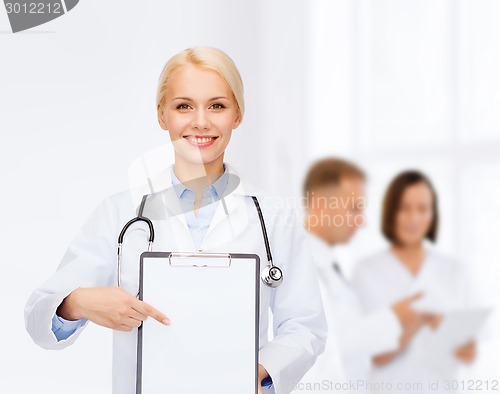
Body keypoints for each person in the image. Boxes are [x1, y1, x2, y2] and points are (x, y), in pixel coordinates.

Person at [24, 47, 327, 394]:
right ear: (162, 115)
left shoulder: (274, 217)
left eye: (217, 105)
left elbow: (305, 326)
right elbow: (38, 316)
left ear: (237, 115)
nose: (201, 121)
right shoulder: (118, 214)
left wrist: (259, 374)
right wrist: (78, 302)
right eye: (184, 106)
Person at [297, 158, 423, 392]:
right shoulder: (299, 264)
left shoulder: (331, 266)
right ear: (319, 204)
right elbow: (318, 350)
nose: (361, 221)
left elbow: (347, 343)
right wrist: (393, 319)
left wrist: (388, 341)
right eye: (354, 208)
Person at [352, 170, 480, 393]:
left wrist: (445, 330)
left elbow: (469, 354)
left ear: (433, 215)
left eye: (422, 209)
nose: (413, 218)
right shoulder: (366, 271)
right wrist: (419, 319)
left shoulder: (455, 271)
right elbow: (374, 355)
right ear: (391, 212)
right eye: (404, 208)